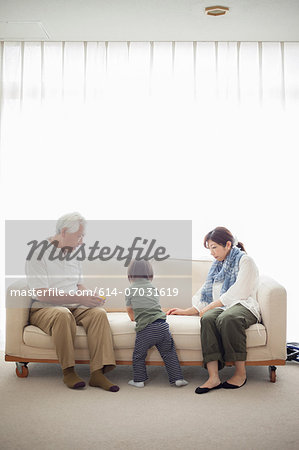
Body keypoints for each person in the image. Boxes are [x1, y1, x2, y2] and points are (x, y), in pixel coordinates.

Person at [25, 212, 119, 392]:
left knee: (98, 314)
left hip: (73, 304)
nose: (82, 241)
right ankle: (68, 372)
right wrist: (78, 298)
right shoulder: (38, 253)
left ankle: (98, 373)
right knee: (62, 314)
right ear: (64, 231)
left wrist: (90, 297)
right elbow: (42, 293)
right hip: (46, 308)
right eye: (79, 236)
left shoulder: (73, 253)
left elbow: (78, 284)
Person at [167, 226, 261, 394]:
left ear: (227, 245)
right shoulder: (218, 266)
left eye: (214, 247)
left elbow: (240, 291)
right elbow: (206, 293)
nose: (212, 253)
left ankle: (240, 374)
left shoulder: (245, 261)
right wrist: (187, 311)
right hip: (225, 306)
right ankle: (213, 377)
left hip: (244, 305)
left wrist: (211, 306)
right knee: (208, 318)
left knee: (228, 318)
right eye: (209, 249)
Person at [125, 259, 188, 388]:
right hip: (162, 326)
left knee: (139, 355)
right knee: (169, 353)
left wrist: (133, 318)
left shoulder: (130, 289)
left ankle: (139, 380)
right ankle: (178, 378)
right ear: (149, 273)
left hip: (145, 329)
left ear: (130, 274)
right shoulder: (153, 288)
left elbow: (130, 309)